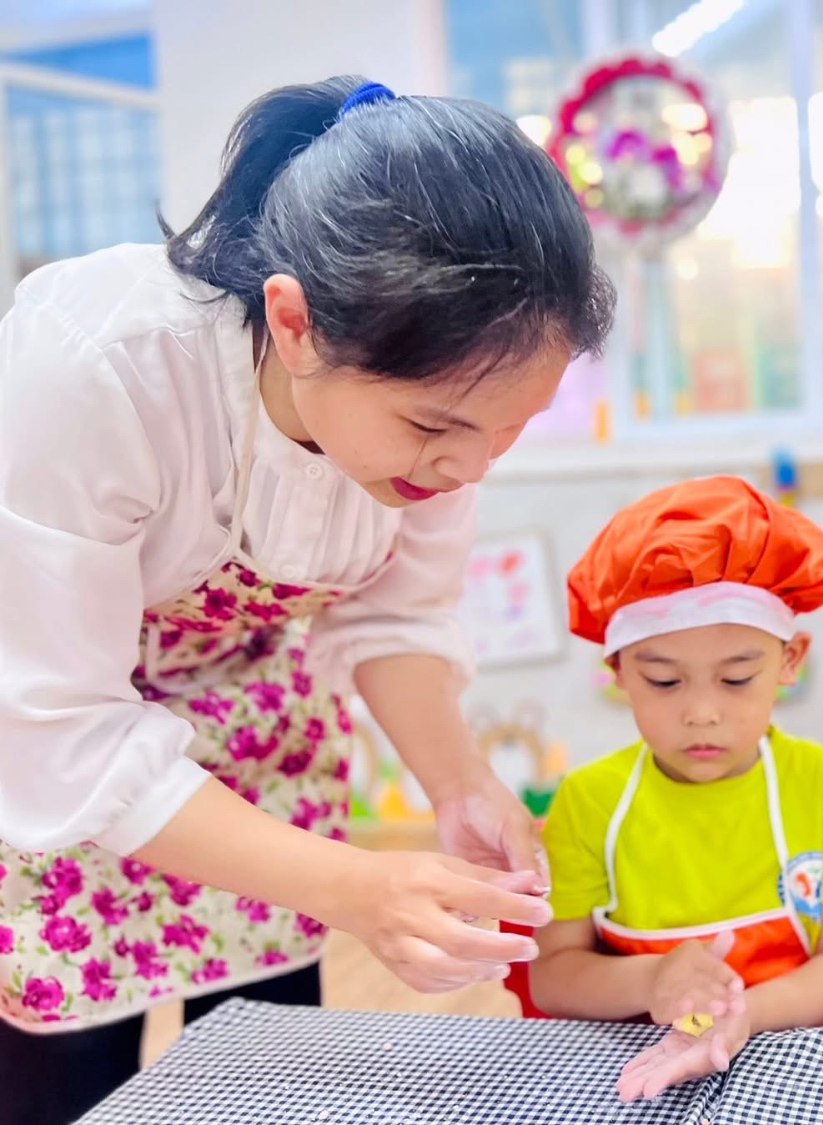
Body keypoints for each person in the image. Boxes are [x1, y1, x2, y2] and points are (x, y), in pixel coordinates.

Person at [0, 75, 614, 1124]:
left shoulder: (446, 417)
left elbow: (393, 616)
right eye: (433, 429)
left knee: (265, 1074)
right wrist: (355, 885)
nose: (467, 469)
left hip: (261, 726)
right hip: (58, 733)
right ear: (294, 322)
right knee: (67, 1081)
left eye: (508, 433)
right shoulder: (96, 368)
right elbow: (58, 727)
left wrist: (460, 783)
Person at [530, 476, 823, 1100]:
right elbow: (554, 976)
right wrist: (654, 981)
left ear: (789, 660)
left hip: (787, 1055)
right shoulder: (589, 800)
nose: (702, 714)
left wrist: (743, 1016)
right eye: (664, 682)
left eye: (736, 679)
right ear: (618, 671)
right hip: (628, 1071)